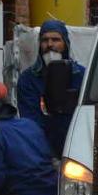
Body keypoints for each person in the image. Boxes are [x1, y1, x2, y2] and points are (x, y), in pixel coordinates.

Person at [16, 19, 86, 158]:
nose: (50, 45)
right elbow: (31, 121)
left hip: (77, 147)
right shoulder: (28, 79)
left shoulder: (81, 75)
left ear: (65, 43)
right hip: (43, 152)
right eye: (45, 40)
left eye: (55, 40)